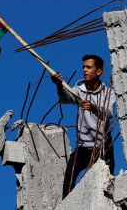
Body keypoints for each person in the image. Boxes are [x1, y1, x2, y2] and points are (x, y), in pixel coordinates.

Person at [51, 54, 116, 199]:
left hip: (104, 149)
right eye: (83, 67)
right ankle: (67, 204)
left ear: (99, 72)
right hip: (83, 147)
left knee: (106, 186)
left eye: (88, 67)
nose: (85, 70)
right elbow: (66, 99)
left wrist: (95, 108)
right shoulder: (80, 88)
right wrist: (59, 86)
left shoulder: (108, 93)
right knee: (70, 173)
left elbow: (109, 113)